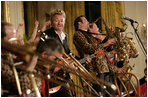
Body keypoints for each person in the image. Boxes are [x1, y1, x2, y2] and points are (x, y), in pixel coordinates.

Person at [73, 16, 119, 96]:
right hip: (94, 69)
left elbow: (99, 47)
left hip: (103, 67)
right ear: (79, 23)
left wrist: (109, 37)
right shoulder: (78, 34)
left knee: (108, 94)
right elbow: (88, 48)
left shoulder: (88, 34)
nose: (88, 22)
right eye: (86, 20)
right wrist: (105, 44)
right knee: (99, 94)